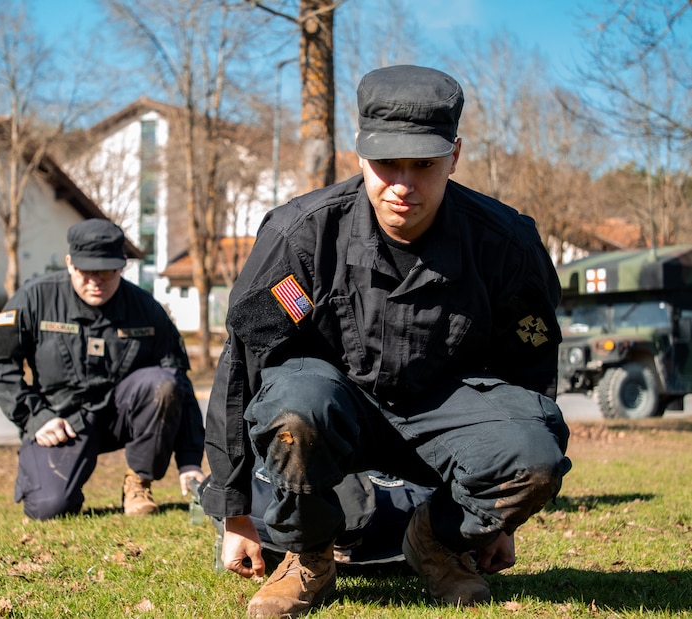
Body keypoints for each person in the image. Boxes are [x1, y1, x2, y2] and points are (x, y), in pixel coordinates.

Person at [200, 65, 572, 617]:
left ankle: (438, 541)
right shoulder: (301, 236)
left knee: (536, 451)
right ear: (359, 156)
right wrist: (233, 511)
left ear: (455, 155)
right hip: (330, 416)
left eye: (423, 164)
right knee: (293, 408)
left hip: (443, 416)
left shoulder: (506, 244)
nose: (403, 184)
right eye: (385, 163)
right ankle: (308, 555)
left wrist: (499, 516)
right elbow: (244, 368)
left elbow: (530, 373)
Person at [0, 219, 206, 520]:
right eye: (86, 272)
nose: (95, 282)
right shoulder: (34, 299)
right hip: (61, 421)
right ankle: (57, 484)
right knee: (50, 508)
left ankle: (138, 482)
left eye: (106, 273)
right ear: (69, 263)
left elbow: (178, 380)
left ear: (122, 267)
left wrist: (190, 460)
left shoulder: (146, 309)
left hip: (120, 415)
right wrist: (35, 417)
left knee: (162, 383)